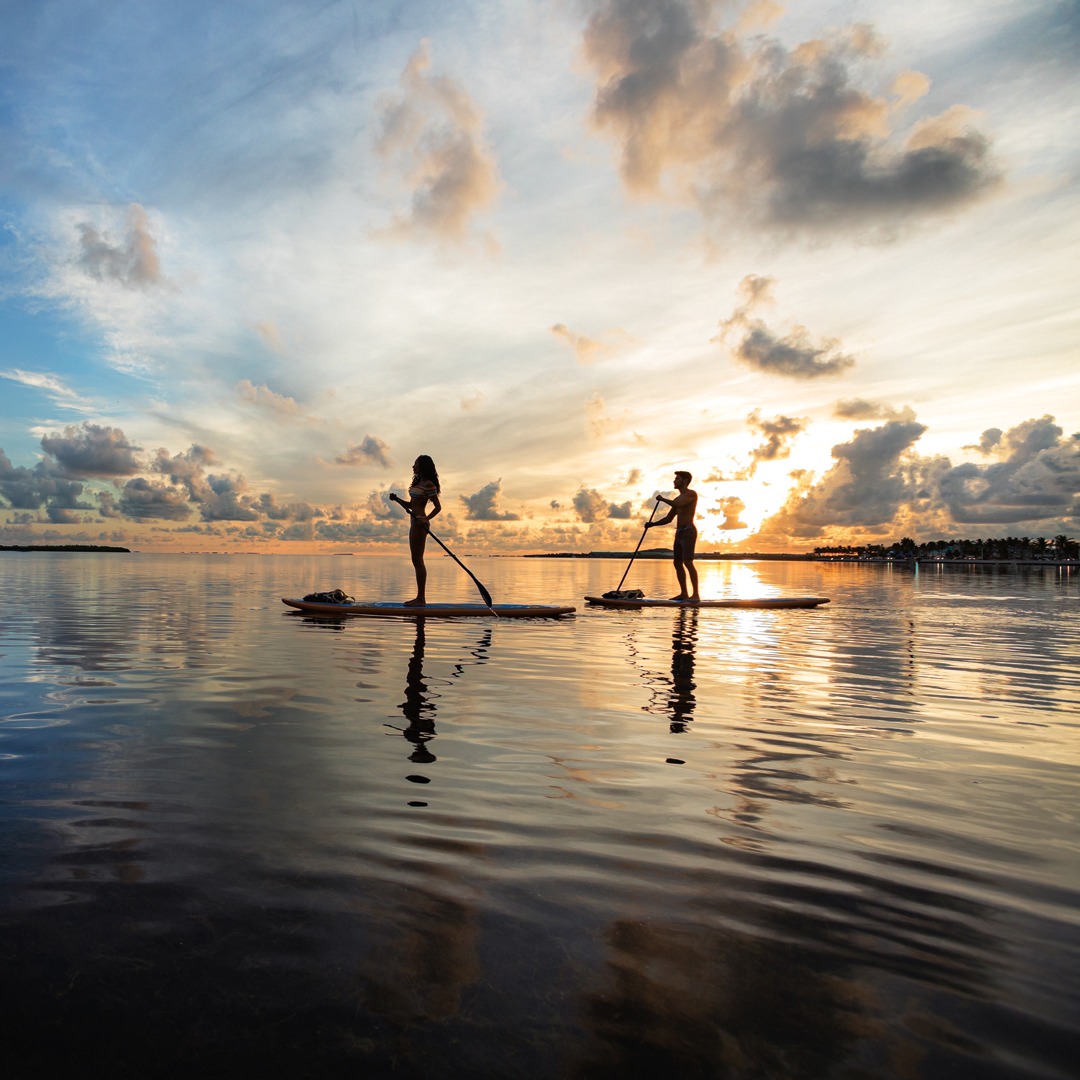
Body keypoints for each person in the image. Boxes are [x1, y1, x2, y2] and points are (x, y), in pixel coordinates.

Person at [644, 470, 700, 601]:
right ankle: (684, 593)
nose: (674, 481)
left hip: (689, 531)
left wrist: (663, 499)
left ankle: (696, 595)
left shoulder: (691, 494)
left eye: (677, 479)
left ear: (685, 481)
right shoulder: (677, 498)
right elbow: (669, 518)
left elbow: (679, 505)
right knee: (677, 563)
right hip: (679, 533)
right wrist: (652, 524)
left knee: (688, 562)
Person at [402, 455, 442, 606]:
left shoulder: (429, 485)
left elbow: (438, 507)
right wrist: (397, 500)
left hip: (420, 525)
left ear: (422, 466)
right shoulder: (417, 483)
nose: (413, 467)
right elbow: (411, 505)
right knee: (415, 560)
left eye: (416, 464)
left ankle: (421, 599)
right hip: (414, 523)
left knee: (418, 560)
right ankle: (420, 598)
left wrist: (426, 519)